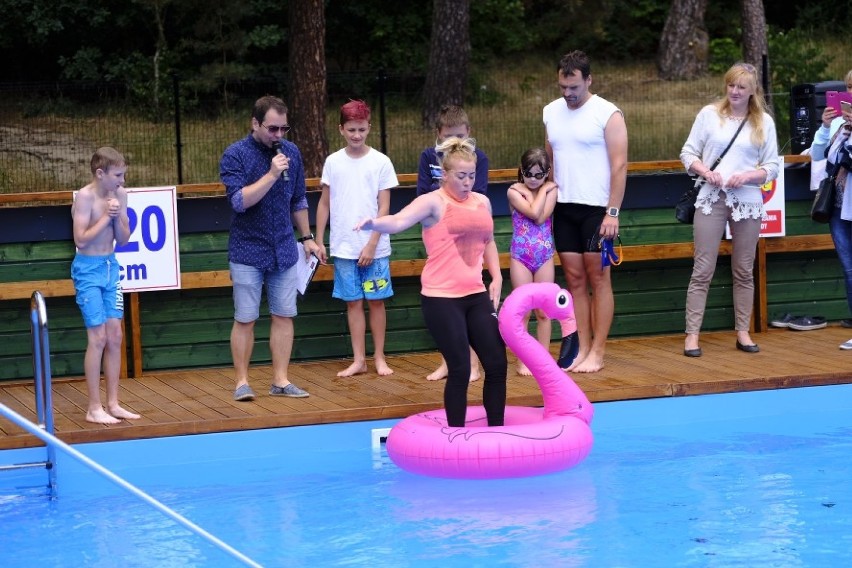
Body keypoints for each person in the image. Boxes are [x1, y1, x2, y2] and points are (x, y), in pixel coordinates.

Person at [355, 137, 507, 427]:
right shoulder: (432, 202)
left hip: (475, 294)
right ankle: (456, 436)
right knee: (460, 368)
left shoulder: (482, 202)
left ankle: (497, 431)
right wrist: (374, 223)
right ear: (445, 174)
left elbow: (487, 240)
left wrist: (497, 275)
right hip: (441, 298)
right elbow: (398, 221)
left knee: (497, 364)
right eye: (461, 176)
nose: (467, 182)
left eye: (472, 175)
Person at [220, 95, 320, 401]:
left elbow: (299, 198)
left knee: (284, 314)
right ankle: (241, 383)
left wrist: (307, 238)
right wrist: (272, 174)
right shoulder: (235, 155)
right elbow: (239, 202)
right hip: (248, 249)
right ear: (255, 123)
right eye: (272, 129)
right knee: (246, 317)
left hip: (284, 250)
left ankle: (280, 380)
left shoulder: (291, 152)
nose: (279, 136)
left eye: (284, 129)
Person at [679, 62, 779, 357]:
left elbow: (772, 166)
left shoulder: (764, 122)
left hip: (747, 199)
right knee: (703, 268)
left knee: (744, 269)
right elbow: (687, 152)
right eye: (731, 85)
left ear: (752, 91)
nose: (734, 91)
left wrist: (748, 176)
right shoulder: (709, 115)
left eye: (741, 87)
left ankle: (743, 331)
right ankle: (692, 335)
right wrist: (705, 171)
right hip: (712, 195)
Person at [543, 50, 628, 373]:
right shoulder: (551, 111)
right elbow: (550, 161)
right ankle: (580, 349)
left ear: (588, 80)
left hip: (598, 210)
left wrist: (613, 212)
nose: (568, 94)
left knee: (599, 279)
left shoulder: (608, 113)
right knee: (575, 280)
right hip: (564, 208)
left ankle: (598, 351)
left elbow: (619, 166)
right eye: (563, 87)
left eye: (574, 88)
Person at [316, 100, 398, 376]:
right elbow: (324, 204)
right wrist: (319, 239)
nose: (356, 135)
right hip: (343, 246)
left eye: (361, 129)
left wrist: (373, 243)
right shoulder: (333, 162)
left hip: (375, 246)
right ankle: (359, 359)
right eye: (351, 129)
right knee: (353, 302)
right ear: (341, 129)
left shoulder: (381, 162)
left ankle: (379, 357)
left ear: (369, 127)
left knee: (376, 300)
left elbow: (384, 207)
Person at [416, 104, 490, 381]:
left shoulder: (477, 158)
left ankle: (472, 364)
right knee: (444, 307)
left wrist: (447, 191)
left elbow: (477, 194)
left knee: (467, 303)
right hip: (439, 239)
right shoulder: (428, 157)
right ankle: (449, 361)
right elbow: (423, 192)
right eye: (448, 137)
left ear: (468, 132)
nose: (454, 142)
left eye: (459, 135)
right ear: (438, 134)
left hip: (469, 240)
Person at [71, 147, 141, 424]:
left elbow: (123, 239)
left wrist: (119, 216)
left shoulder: (119, 195)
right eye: (118, 175)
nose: (122, 181)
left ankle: (113, 403)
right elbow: (80, 239)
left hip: (111, 267)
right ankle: (93, 407)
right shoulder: (85, 197)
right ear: (101, 174)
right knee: (97, 337)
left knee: (115, 336)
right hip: (88, 270)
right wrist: (104, 218)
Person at [507, 147, 559, 375]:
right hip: (521, 256)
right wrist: (540, 191)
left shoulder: (551, 192)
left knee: (544, 312)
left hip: (544, 255)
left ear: (547, 172)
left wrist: (540, 192)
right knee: (524, 311)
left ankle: (544, 359)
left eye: (540, 175)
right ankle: (524, 360)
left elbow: (542, 216)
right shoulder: (513, 191)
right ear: (521, 171)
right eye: (529, 174)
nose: (534, 180)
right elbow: (533, 213)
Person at [811, 69, 852, 349]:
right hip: (837, 206)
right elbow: (817, 154)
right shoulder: (840, 121)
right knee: (849, 269)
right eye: (849, 87)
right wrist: (827, 127)